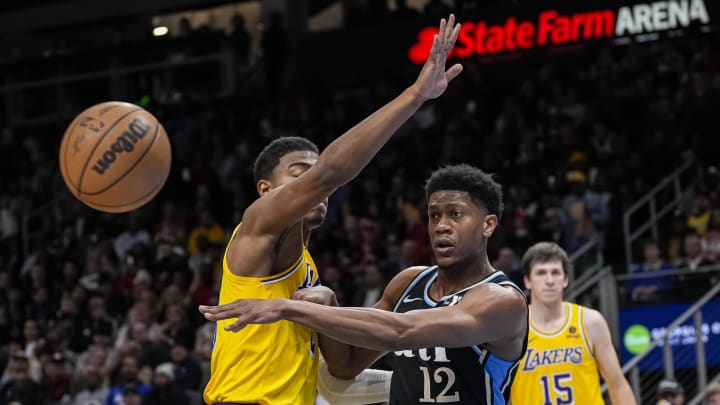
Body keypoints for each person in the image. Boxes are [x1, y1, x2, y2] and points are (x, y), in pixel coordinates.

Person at [202, 14, 464, 405]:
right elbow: (332, 172)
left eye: (313, 172)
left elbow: (342, 370)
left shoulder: (303, 263)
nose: (314, 184)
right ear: (265, 189)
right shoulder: (257, 227)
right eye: (298, 173)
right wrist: (416, 95)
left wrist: (336, 307)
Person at [200, 164, 529, 404]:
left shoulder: (502, 302)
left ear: (488, 225)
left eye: (455, 214)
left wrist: (288, 307)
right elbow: (345, 365)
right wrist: (328, 303)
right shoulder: (409, 283)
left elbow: (400, 332)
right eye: (433, 215)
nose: (441, 226)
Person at [510, 242, 636, 405]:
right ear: (527, 281)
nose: (549, 280)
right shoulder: (512, 329)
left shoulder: (590, 322)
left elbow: (617, 385)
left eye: (555, 272)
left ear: (566, 279)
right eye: (541, 273)